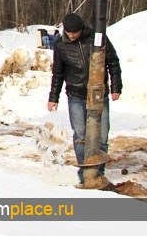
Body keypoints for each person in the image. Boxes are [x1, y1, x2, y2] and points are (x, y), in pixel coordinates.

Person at [47, 12, 122, 185]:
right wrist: (53, 97)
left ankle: (98, 173)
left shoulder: (97, 37)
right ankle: (85, 174)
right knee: (81, 135)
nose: (72, 35)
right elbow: (58, 73)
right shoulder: (60, 45)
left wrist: (116, 87)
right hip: (76, 95)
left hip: (98, 94)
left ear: (82, 29)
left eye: (75, 32)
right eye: (69, 32)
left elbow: (113, 62)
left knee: (102, 136)